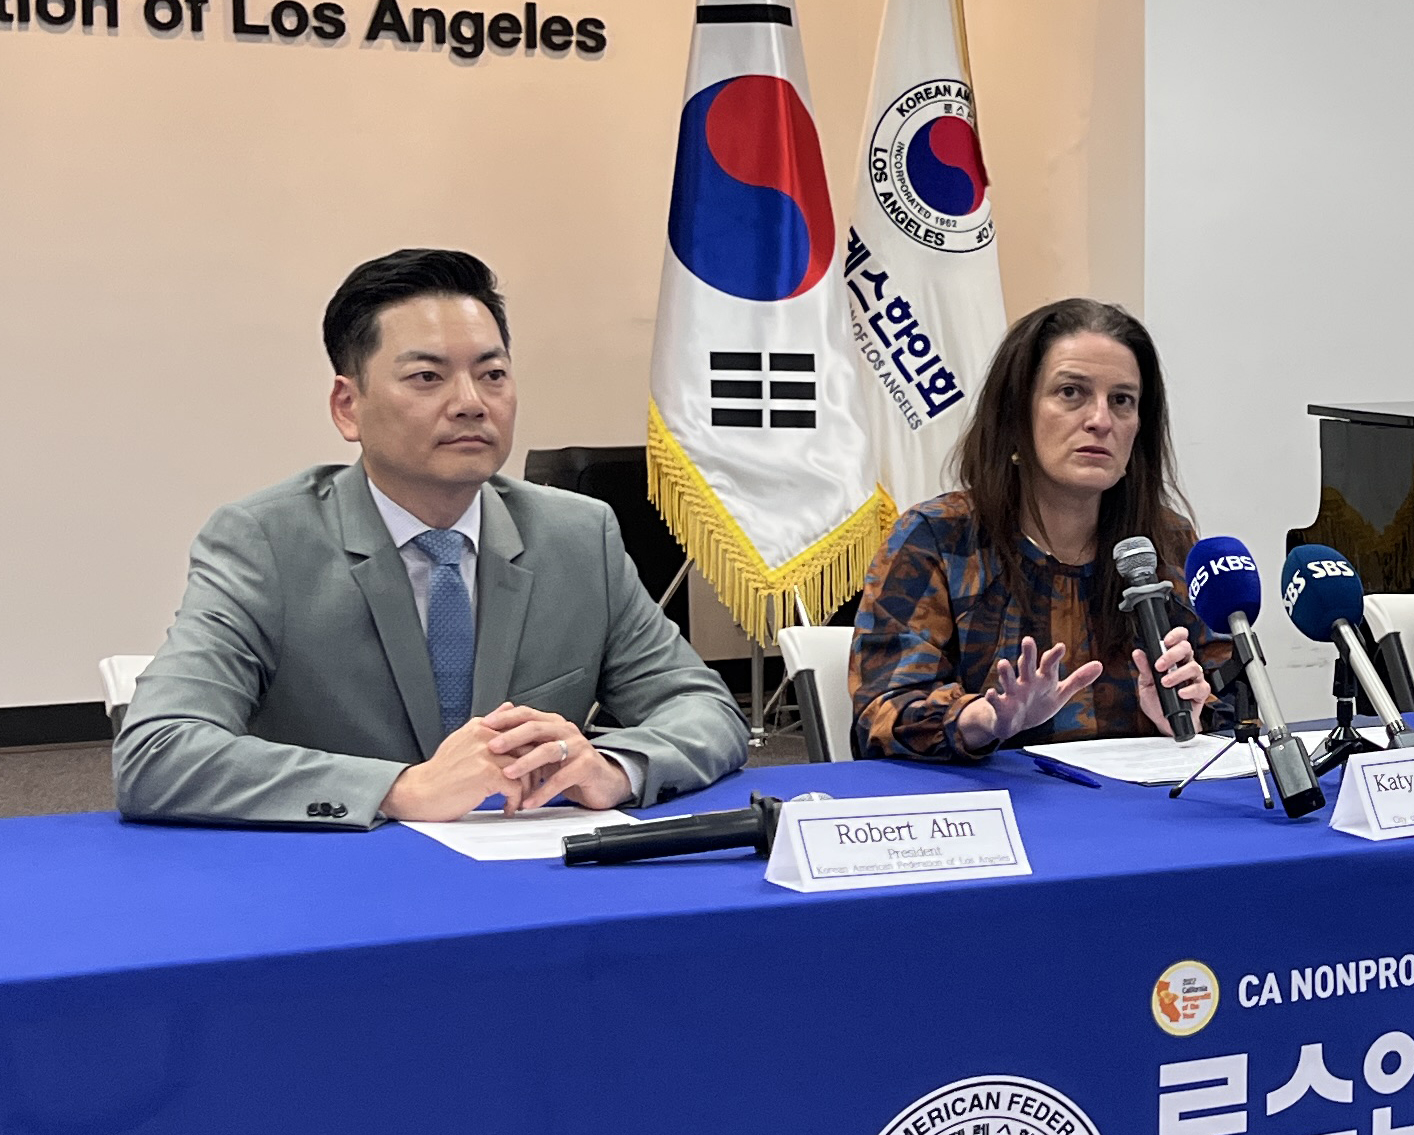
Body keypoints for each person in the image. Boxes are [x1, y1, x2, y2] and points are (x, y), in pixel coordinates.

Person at [113, 249, 749, 826]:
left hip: (537, 882)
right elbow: (157, 750)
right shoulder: (265, 543)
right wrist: (397, 789)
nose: (472, 402)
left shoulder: (578, 535)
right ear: (347, 406)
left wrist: (615, 768)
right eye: (427, 377)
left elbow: (703, 709)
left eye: (493, 374)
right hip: (337, 892)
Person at [850, 298, 1224, 760]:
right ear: (1015, 414)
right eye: (1071, 392)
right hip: (991, 816)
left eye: (1122, 400)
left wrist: (1192, 717)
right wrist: (984, 720)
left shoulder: (1163, 545)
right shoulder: (937, 539)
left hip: (1141, 814)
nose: (1100, 420)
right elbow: (882, 714)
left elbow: (1241, 712)